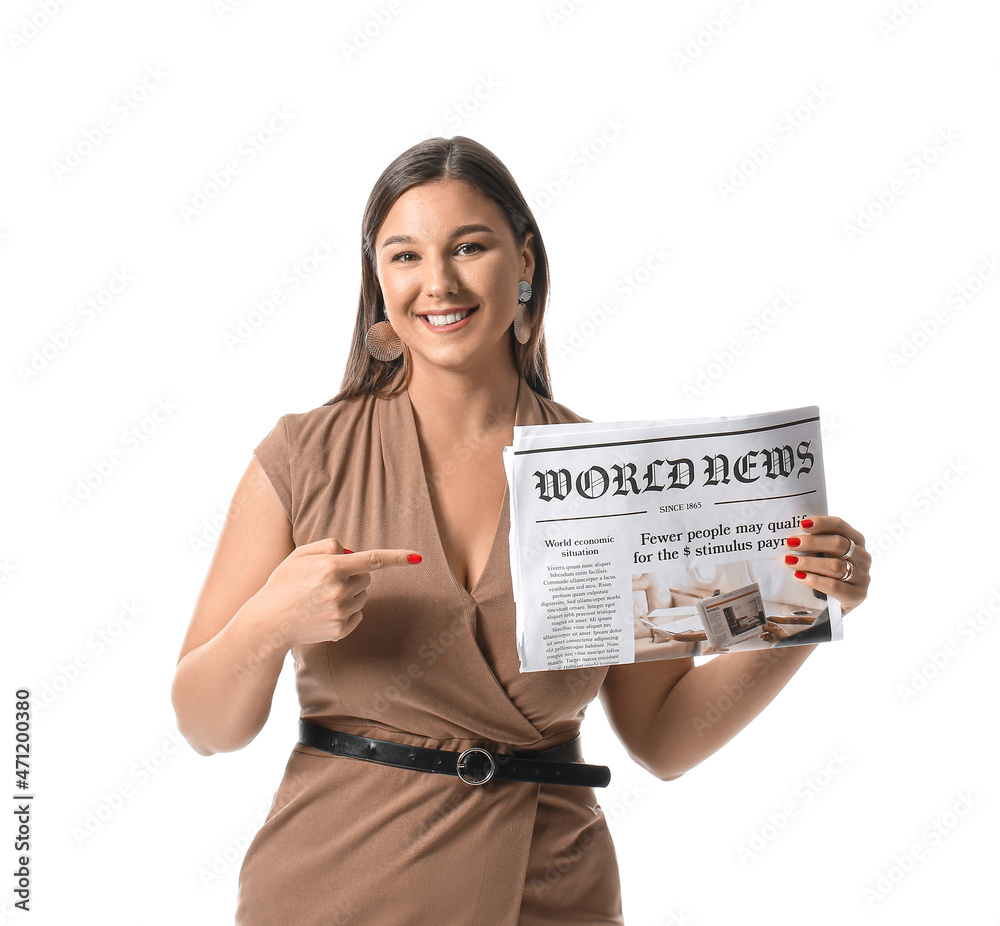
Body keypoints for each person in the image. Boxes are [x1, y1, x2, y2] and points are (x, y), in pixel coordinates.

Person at [170, 136, 871, 925]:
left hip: (551, 897)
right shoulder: (303, 458)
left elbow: (664, 737)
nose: (438, 282)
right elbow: (204, 727)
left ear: (525, 261)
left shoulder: (614, 479)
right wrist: (267, 625)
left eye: (469, 246)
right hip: (333, 891)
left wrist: (796, 615)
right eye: (405, 256)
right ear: (378, 281)